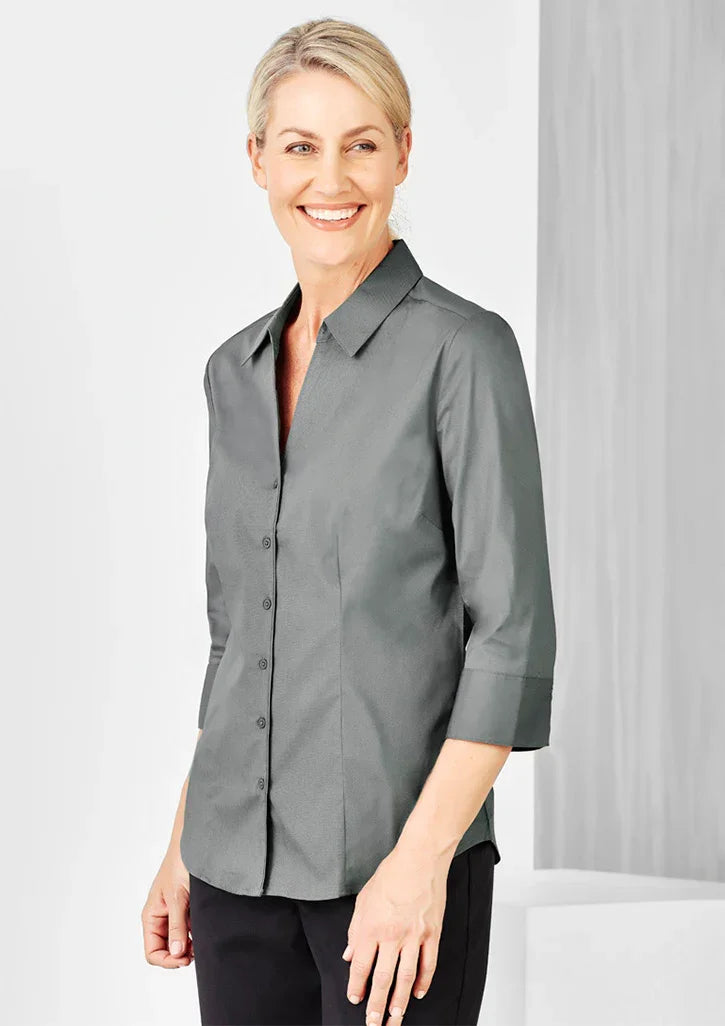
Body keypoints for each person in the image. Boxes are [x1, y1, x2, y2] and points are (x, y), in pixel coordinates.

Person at [141, 16, 556, 1026]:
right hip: (234, 874)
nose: (330, 179)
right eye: (300, 146)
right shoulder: (232, 373)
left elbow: (510, 637)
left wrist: (419, 868)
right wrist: (185, 845)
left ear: (402, 153)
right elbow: (240, 640)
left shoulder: (464, 352)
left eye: (360, 144)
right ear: (257, 160)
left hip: (395, 874)